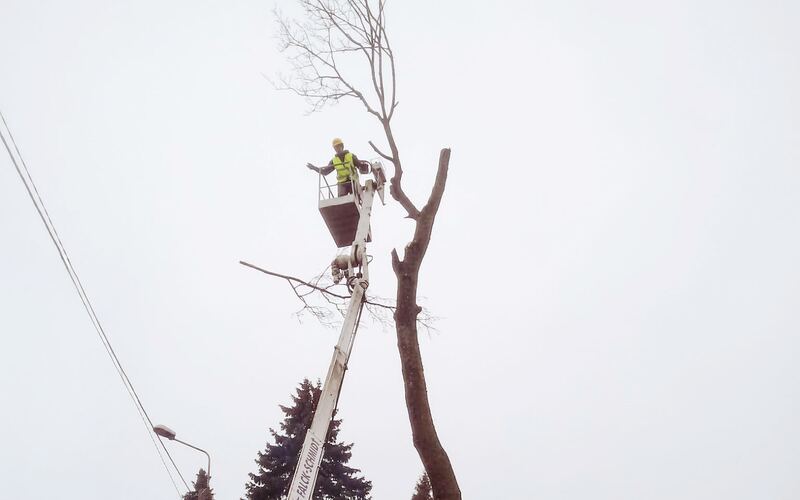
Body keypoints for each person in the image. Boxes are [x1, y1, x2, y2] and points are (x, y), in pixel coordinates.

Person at [306, 138, 371, 196]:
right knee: (342, 200)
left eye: (338, 146)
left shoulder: (351, 156)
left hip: (353, 181)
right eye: (335, 147)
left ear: (342, 146)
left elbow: (360, 166)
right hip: (342, 184)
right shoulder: (334, 160)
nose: (337, 148)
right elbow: (325, 172)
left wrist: (363, 167)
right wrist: (314, 168)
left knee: (354, 197)